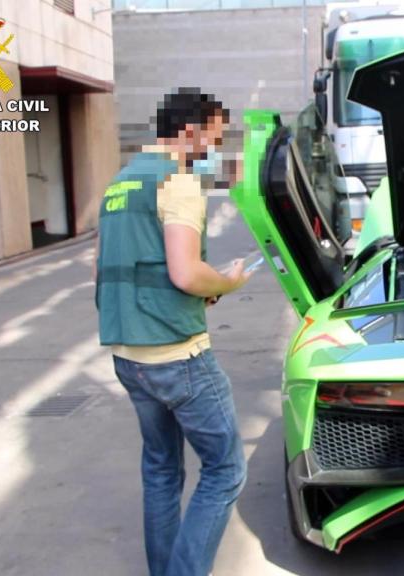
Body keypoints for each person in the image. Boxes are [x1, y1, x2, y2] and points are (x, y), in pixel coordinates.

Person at [94, 87, 252, 576]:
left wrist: (197, 286)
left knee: (161, 470)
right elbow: (185, 273)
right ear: (190, 130)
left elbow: (128, 266)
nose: (214, 147)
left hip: (128, 354)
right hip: (177, 358)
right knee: (225, 470)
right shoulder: (177, 181)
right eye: (213, 135)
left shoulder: (120, 184)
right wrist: (224, 281)